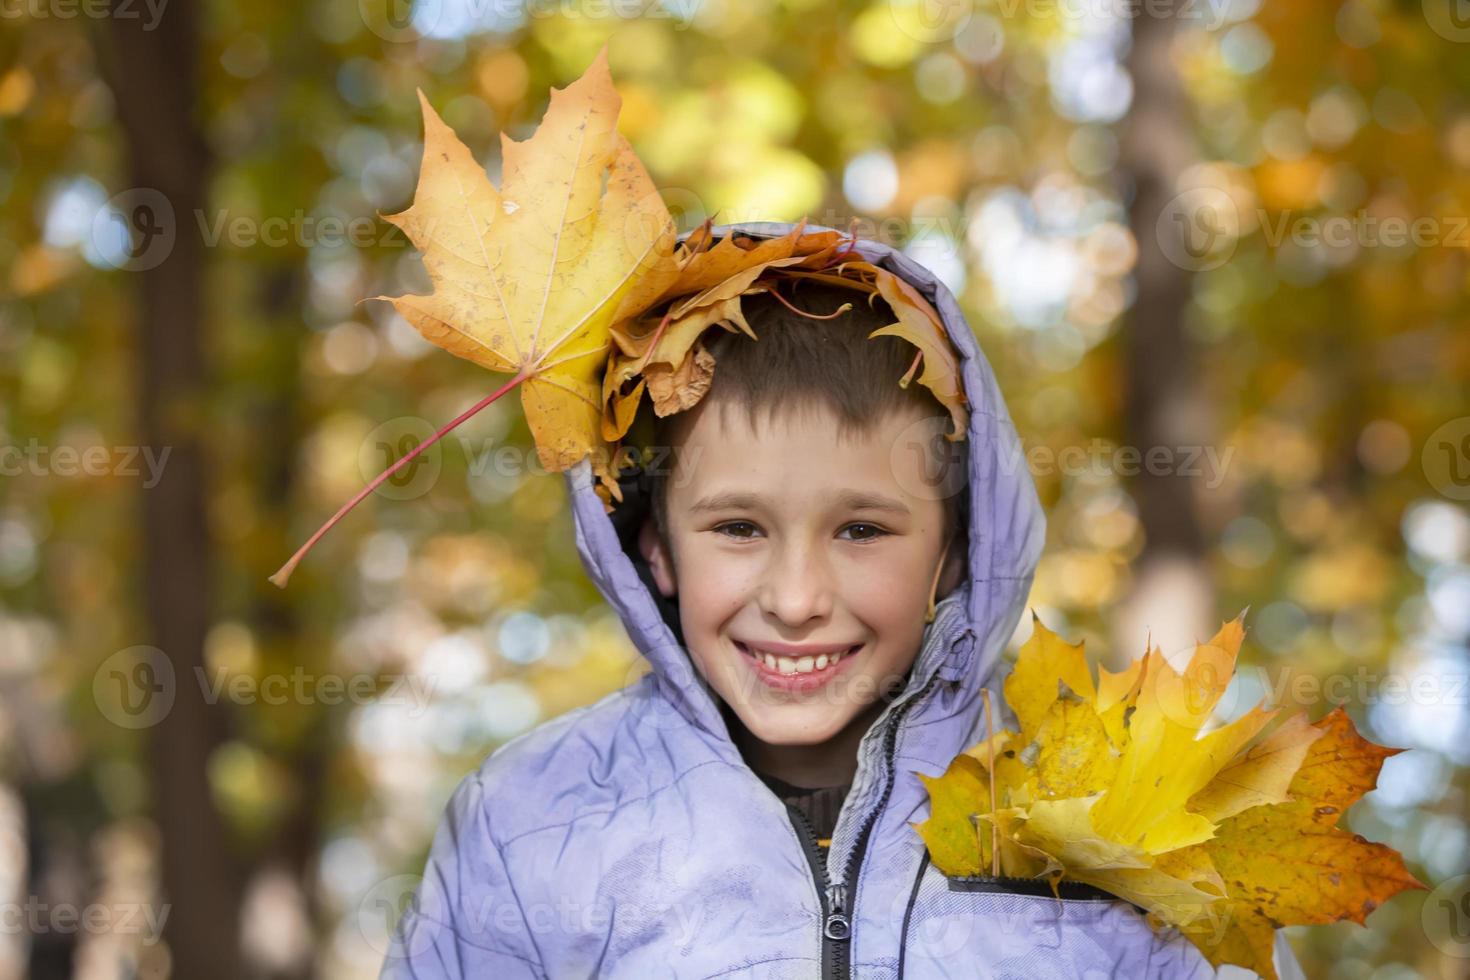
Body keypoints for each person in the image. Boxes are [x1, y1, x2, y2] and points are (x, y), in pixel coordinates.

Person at [380, 221, 1305, 978]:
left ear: (955, 552)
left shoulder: (1113, 807)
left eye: (862, 531)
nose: (795, 599)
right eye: (738, 529)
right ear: (657, 548)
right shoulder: (531, 822)